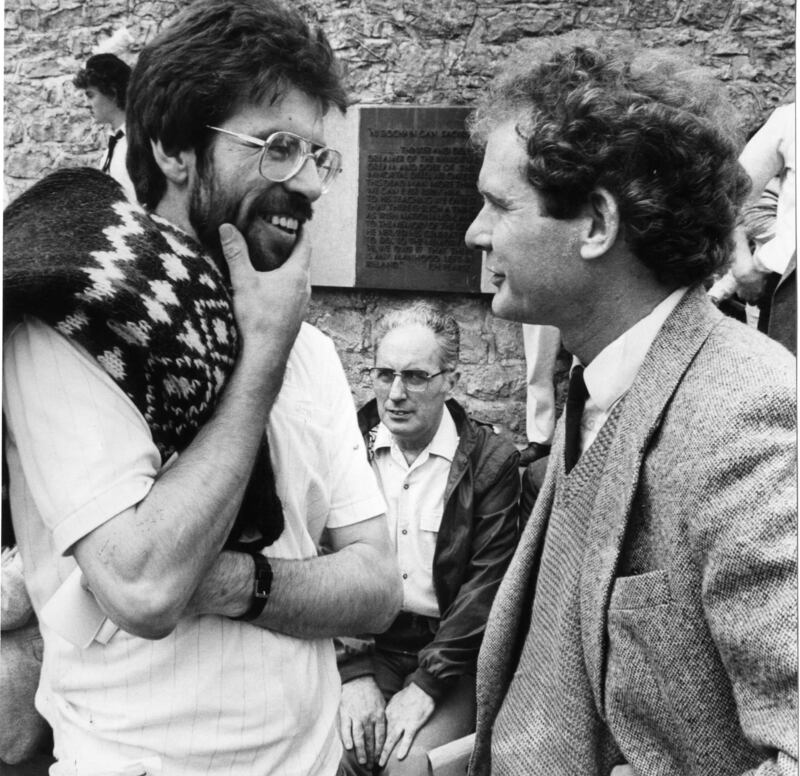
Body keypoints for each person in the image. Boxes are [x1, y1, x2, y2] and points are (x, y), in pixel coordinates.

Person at [3, 1, 402, 773]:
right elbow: (146, 587)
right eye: (279, 148)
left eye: (321, 157)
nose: (310, 185)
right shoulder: (71, 326)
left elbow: (378, 587)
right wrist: (260, 362)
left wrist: (225, 581)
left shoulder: (309, 349)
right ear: (176, 148)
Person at [464, 46, 796, 776]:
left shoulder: (747, 415)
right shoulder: (600, 382)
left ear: (596, 225)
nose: (475, 234)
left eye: (497, 204)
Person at [337, 303, 520, 776]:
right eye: (384, 375)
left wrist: (425, 686)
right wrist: (352, 673)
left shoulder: (490, 463)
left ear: (450, 381)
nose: (395, 394)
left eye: (415, 377)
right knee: (342, 757)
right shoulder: (344, 448)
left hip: (448, 657)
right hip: (364, 644)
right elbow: (322, 557)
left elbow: (487, 587)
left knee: (407, 767)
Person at [74, 53, 136, 200]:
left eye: (90, 95)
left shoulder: (136, 144)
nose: (86, 104)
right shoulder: (115, 143)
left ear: (112, 93)